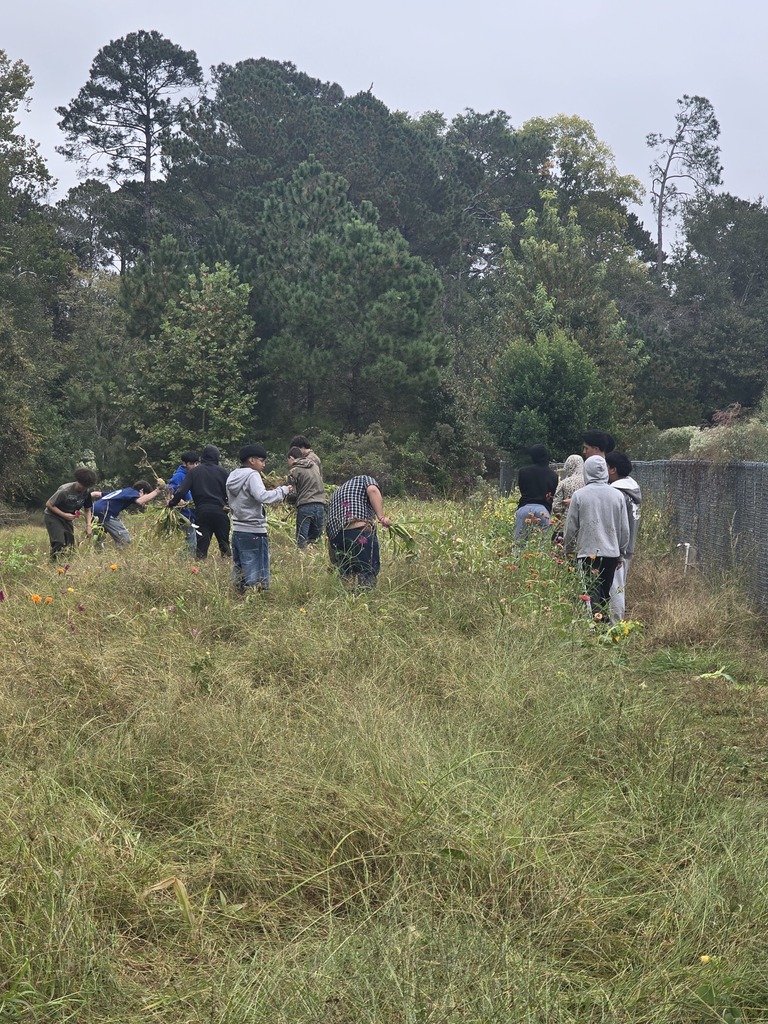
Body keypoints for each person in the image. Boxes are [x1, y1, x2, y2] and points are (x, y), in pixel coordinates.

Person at [563, 455, 630, 624]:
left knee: (590, 592)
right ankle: (604, 626)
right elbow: (624, 528)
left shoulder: (579, 495)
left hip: (587, 552)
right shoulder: (617, 495)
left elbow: (571, 527)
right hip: (612, 553)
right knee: (605, 592)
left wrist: (569, 550)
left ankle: (594, 628)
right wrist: (621, 553)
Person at [226, 444, 291, 592]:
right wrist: (283, 490)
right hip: (254, 529)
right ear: (251, 460)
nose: (264, 464)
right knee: (257, 565)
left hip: (238, 529)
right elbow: (263, 496)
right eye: (261, 460)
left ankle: (239, 592)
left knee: (240, 564)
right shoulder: (252, 475)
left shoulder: (232, 475)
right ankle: (255, 594)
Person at [326, 475, 392, 588]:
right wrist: (381, 517)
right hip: (358, 531)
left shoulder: (339, 491)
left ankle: (347, 600)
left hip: (335, 536)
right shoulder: (365, 479)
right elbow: (372, 490)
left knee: (345, 573)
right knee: (367, 569)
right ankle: (365, 598)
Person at [168, 444, 230, 558]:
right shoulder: (223, 472)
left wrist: (171, 503)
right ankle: (225, 566)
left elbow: (181, 491)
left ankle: (200, 568)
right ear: (217, 457)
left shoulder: (194, 472)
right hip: (220, 511)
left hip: (202, 512)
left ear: (203, 457)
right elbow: (231, 491)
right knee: (224, 544)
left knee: (202, 546)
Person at [606, 451, 642, 622]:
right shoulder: (632, 488)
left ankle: (616, 626)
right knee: (619, 586)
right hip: (628, 546)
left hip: (618, 547)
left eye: (605, 466)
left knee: (616, 588)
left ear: (613, 469)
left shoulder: (618, 493)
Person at [43, 467, 98, 560]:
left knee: (70, 545)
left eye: (86, 487)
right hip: (53, 516)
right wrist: (63, 514)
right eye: (82, 486)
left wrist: (88, 525)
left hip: (67, 518)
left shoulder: (86, 492)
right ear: (78, 481)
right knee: (59, 541)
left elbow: (87, 509)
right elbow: (49, 504)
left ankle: (66, 564)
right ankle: (53, 562)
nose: (84, 489)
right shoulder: (65, 490)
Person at [92, 480, 161, 545]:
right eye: (146, 495)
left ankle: (97, 553)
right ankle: (123, 555)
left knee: (99, 538)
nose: (146, 502)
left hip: (93, 510)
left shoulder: (122, 492)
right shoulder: (133, 492)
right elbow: (140, 501)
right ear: (141, 490)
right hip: (105, 511)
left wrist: (83, 498)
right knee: (125, 540)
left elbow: (96, 494)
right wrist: (158, 490)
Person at [514, 444, 559, 543]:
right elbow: (551, 494)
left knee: (519, 543)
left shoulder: (523, 472)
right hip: (543, 510)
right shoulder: (553, 475)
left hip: (525, 508)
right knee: (542, 545)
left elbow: (522, 490)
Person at [286, 446, 325, 548]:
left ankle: (301, 562)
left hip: (305, 505)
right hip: (320, 504)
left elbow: (292, 493)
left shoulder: (294, 470)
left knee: (302, 541)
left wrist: (288, 501)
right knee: (315, 540)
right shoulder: (315, 466)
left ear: (291, 458)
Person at [167, 450, 200, 555]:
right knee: (191, 543)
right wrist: (176, 499)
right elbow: (168, 490)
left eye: (196, 463)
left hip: (192, 514)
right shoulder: (179, 476)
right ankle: (184, 561)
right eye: (191, 464)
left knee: (193, 541)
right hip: (183, 515)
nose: (194, 466)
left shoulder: (195, 475)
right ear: (184, 463)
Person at [551, 454, 585, 538]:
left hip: (566, 521)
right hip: (585, 523)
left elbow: (556, 506)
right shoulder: (588, 482)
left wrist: (559, 514)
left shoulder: (564, 483)